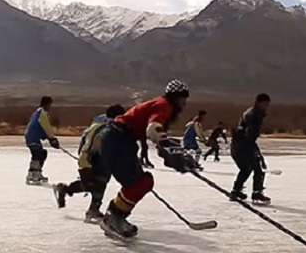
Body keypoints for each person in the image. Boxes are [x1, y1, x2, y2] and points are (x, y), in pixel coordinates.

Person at [95, 79, 198, 238]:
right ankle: (113, 218)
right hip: (118, 140)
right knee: (139, 183)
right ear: (174, 97)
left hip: (120, 140)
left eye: (185, 98)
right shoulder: (164, 106)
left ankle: (115, 216)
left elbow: (158, 140)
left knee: (142, 182)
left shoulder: (162, 105)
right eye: (181, 98)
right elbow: (153, 128)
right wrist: (172, 151)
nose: (184, 102)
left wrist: (176, 159)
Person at [53, 104, 125, 223]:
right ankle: (92, 209)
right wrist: (85, 166)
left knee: (98, 184)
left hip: (104, 160)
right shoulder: (100, 128)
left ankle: (67, 191)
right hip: (92, 158)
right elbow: (86, 149)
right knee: (94, 184)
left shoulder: (115, 127)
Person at [230, 93, 271, 204]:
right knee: (260, 167)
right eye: (265, 104)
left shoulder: (250, 112)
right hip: (244, 144)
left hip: (238, 144)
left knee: (246, 168)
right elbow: (250, 133)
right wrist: (253, 148)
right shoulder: (255, 115)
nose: (266, 107)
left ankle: (236, 191)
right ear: (259, 103)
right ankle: (257, 192)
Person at [24, 96, 60, 185]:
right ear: (47, 104)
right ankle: (32, 174)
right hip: (33, 137)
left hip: (32, 137)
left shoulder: (38, 112)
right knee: (37, 154)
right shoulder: (42, 113)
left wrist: (48, 137)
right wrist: (52, 138)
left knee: (43, 153)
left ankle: (37, 172)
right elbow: (46, 126)